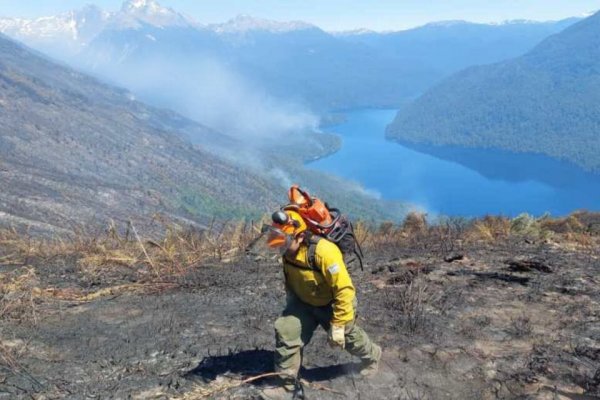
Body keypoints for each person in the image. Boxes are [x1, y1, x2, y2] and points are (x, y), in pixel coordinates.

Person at [260, 210, 381, 400]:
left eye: (282, 238)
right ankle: (287, 386)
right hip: (303, 301)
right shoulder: (287, 250)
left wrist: (339, 325)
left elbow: (344, 290)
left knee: (348, 339)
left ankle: (372, 357)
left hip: (333, 303)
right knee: (286, 331)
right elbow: (290, 279)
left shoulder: (323, 251)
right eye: (276, 236)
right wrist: (291, 306)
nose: (277, 243)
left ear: (299, 237)